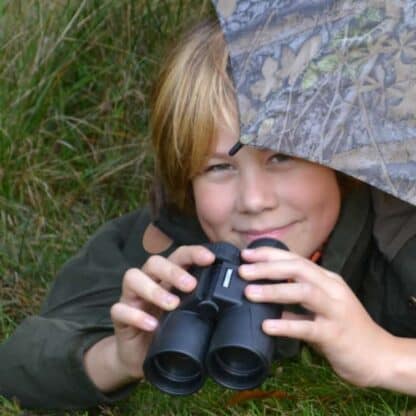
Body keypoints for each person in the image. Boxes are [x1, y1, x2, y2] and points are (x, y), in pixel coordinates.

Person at [1, 18, 416, 410]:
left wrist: (387, 356)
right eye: (218, 168)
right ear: (186, 181)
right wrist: (117, 358)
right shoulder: (179, 240)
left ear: (339, 157)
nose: (253, 201)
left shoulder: (400, 221)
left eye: (283, 156)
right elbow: (20, 361)